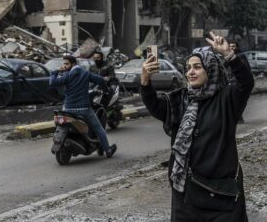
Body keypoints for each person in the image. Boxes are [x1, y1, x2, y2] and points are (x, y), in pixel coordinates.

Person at [141, 32, 254, 221]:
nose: (190, 72)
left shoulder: (227, 99)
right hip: (186, 193)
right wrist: (145, 81)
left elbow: (246, 82)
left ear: (210, 69)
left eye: (197, 67)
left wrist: (230, 56)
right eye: (188, 68)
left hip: (221, 194)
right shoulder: (181, 99)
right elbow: (156, 107)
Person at [49, 55, 117, 158]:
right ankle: (108, 150)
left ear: (73, 64)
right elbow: (101, 80)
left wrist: (55, 71)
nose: (64, 66)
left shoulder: (67, 75)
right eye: (64, 64)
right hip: (83, 109)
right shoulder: (85, 73)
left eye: (66, 64)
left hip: (67, 109)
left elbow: (52, 82)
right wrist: (106, 91)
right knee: (99, 128)